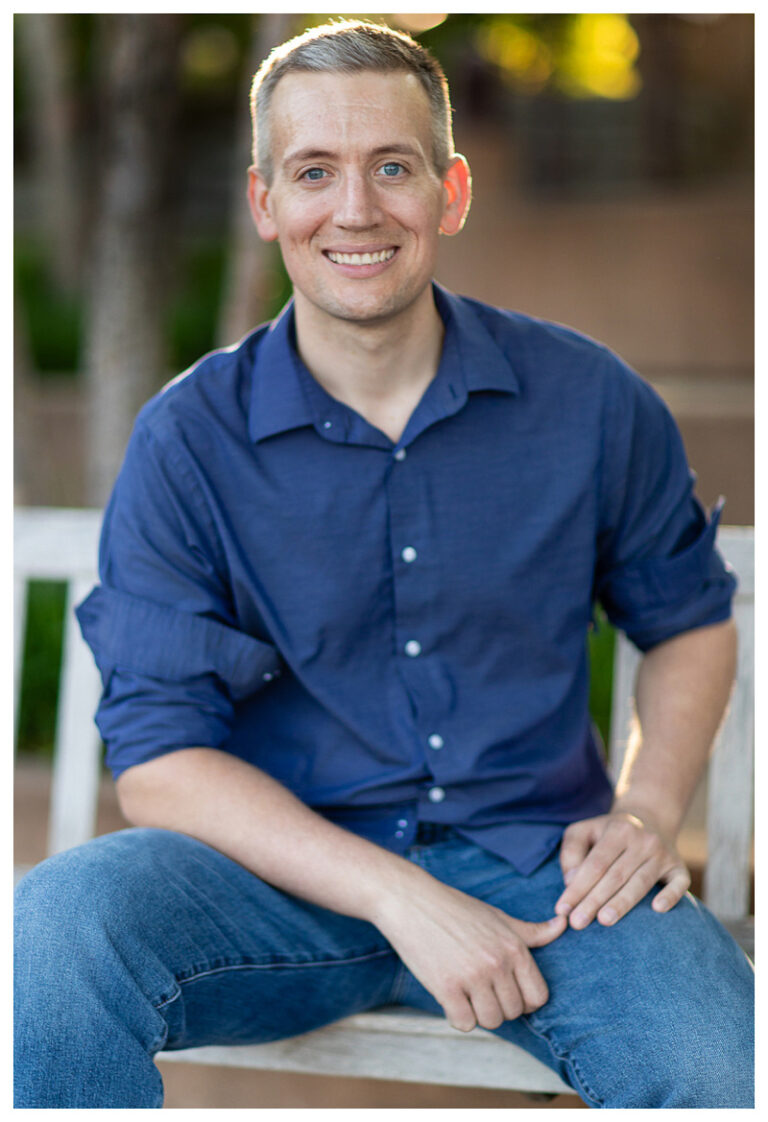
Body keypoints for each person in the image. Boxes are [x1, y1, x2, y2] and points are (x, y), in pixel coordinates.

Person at [15, 19, 753, 1108]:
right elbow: (158, 757)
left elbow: (686, 618)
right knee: (55, 932)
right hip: (276, 882)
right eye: (314, 172)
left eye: (391, 168)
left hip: (548, 881)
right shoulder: (190, 438)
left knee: (716, 1069)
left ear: (450, 192)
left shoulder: (589, 402)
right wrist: (399, 894)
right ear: (266, 203)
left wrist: (645, 811)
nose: (354, 210)